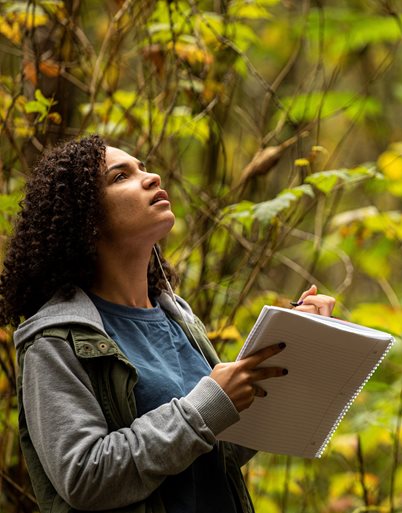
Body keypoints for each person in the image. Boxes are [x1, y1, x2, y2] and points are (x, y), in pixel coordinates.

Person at [0, 135, 335, 513]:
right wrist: (204, 408)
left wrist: (298, 345)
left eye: (144, 167)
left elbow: (216, 452)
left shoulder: (179, 318)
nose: (152, 177)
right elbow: (83, 477)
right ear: (83, 216)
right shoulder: (56, 340)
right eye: (120, 176)